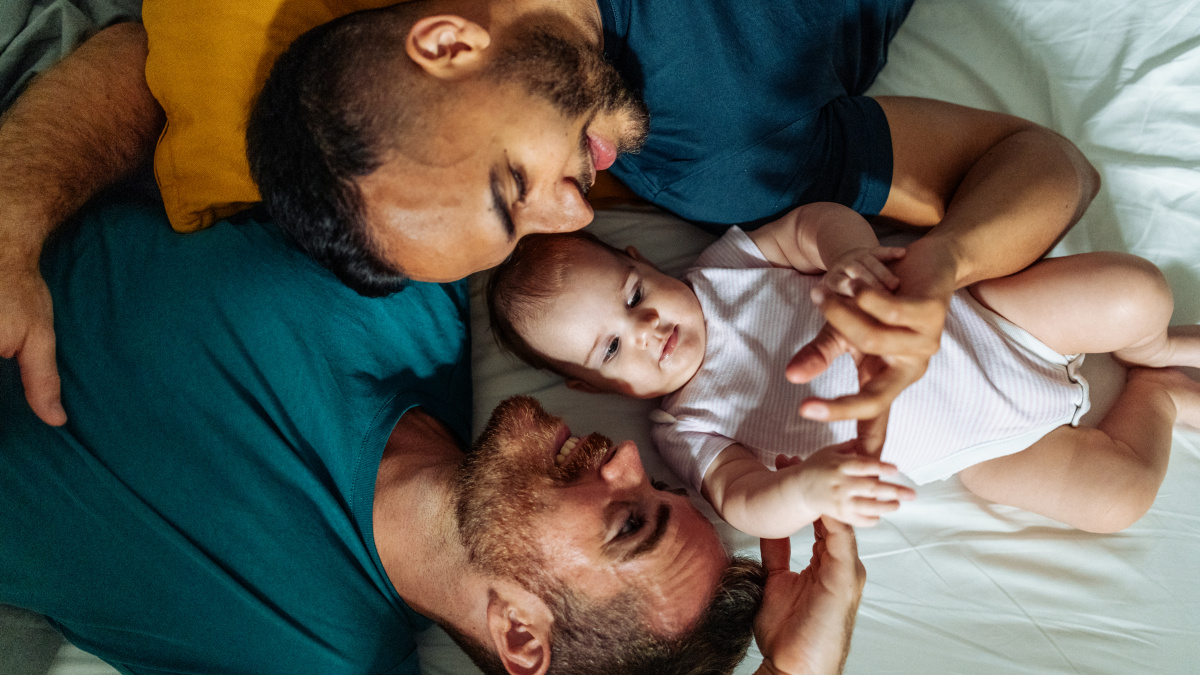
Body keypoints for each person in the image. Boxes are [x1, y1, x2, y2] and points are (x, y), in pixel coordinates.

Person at [1, 0, 1100, 434]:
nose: (572, 205)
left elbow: (157, 41)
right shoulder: (716, 158)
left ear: (444, 43)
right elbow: (1040, 162)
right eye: (527, 228)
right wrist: (943, 267)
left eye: (507, 187)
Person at [0, 198, 864, 675]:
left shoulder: (310, 653)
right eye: (662, 489)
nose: (630, 455)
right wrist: (15, 208)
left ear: (522, 636)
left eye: (629, 520)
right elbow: (134, 67)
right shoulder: (418, 288)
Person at [485, 202, 1200, 536]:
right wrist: (808, 486)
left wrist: (850, 253)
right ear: (592, 386)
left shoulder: (727, 270)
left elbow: (811, 224)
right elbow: (742, 501)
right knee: (1119, 499)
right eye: (611, 349)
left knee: (1135, 293)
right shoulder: (685, 426)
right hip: (984, 447)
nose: (645, 329)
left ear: (641, 263)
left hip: (992, 321)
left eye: (633, 295)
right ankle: (1161, 399)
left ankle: (1156, 350)